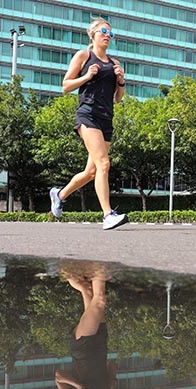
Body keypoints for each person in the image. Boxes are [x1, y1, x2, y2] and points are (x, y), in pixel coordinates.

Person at [49, 18, 128, 230]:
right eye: (104, 31)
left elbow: (118, 98)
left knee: (92, 172)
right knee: (104, 164)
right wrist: (87, 76)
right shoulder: (84, 56)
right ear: (92, 34)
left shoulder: (114, 63)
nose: (107, 35)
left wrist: (121, 81)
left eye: (111, 33)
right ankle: (108, 215)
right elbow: (66, 85)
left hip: (106, 119)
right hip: (88, 115)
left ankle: (60, 194)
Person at [54, 261, 118, 389]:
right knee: (88, 291)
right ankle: (68, 270)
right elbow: (112, 364)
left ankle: (99, 263)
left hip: (82, 349)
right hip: (100, 343)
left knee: (99, 301)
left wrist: (79, 386)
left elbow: (59, 376)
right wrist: (112, 383)